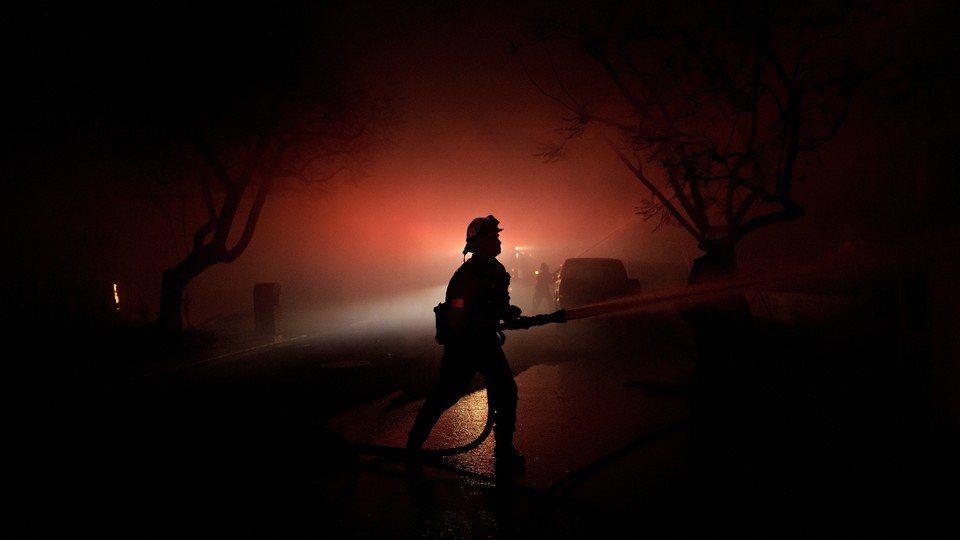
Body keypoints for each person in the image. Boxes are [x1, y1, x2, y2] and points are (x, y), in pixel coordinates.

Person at [406, 215, 526, 473]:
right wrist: (479, 330)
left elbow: (497, 304)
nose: (498, 241)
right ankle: (413, 446)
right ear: (480, 244)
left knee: (506, 391)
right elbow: (456, 320)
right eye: (493, 237)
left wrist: (508, 313)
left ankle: (504, 449)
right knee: (445, 395)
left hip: (484, 343)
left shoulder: (498, 270)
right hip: (463, 346)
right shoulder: (467, 277)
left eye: (498, 236)